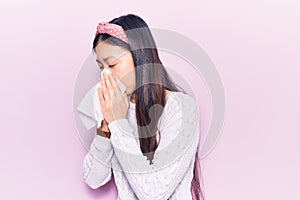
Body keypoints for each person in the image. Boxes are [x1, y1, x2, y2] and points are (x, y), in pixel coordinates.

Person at [82, 14, 205, 200]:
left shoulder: (182, 108)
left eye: (112, 64)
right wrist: (106, 127)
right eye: (101, 67)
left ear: (140, 57)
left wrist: (118, 122)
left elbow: (154, 193)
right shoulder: (112, 109)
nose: (105, 75)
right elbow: (93, 179)